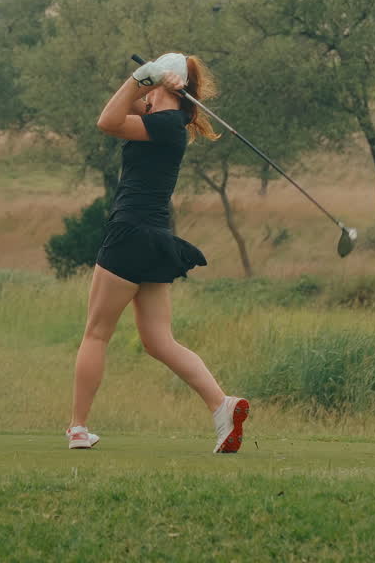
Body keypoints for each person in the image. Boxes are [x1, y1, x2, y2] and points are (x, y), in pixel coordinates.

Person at [66, 52, 249, 454]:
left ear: (165, 87)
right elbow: (121, 104)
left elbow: (106, 121)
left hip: (130, 231)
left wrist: (140, 78)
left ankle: (78, 427)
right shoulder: (168, 121)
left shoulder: (165, 123)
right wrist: (144, 82)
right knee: (159, 341)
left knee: (96, 333)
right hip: (154, 236)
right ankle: (223, 406)